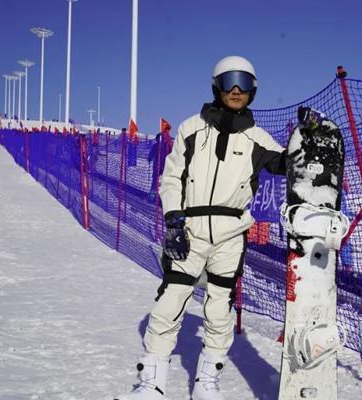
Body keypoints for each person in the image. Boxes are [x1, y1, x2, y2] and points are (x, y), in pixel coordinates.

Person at [114, 56, 286, 400]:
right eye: (229, 82)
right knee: (169, 301)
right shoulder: (192, 128)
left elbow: (287, 164)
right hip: (189, 231)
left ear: (253, 90)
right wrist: (174, 219)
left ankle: (207, 383)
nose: (236, 90)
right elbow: (172, 176)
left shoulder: (258, 138)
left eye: (244, 83)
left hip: (230, 234)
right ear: (215, 86)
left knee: (220, 308)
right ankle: (152, 384)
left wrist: (307, 143)